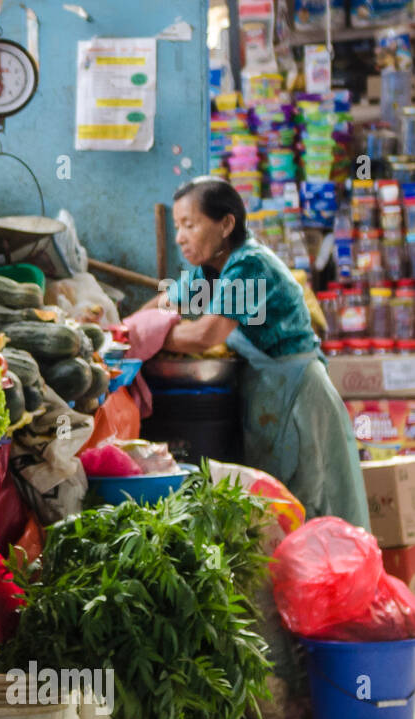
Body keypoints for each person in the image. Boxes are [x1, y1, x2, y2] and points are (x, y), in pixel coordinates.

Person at [131, 176, 368, 528]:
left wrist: (146, 337)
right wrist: (123, 329)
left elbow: (205, 335)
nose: (180, 236)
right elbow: (165, 303)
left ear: (226, 224)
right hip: (267, 390)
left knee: (308, 504)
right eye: (178, 226)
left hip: (297, 394)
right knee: (272, 505)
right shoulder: (210, 269)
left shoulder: (250, 265)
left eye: (189, 225)